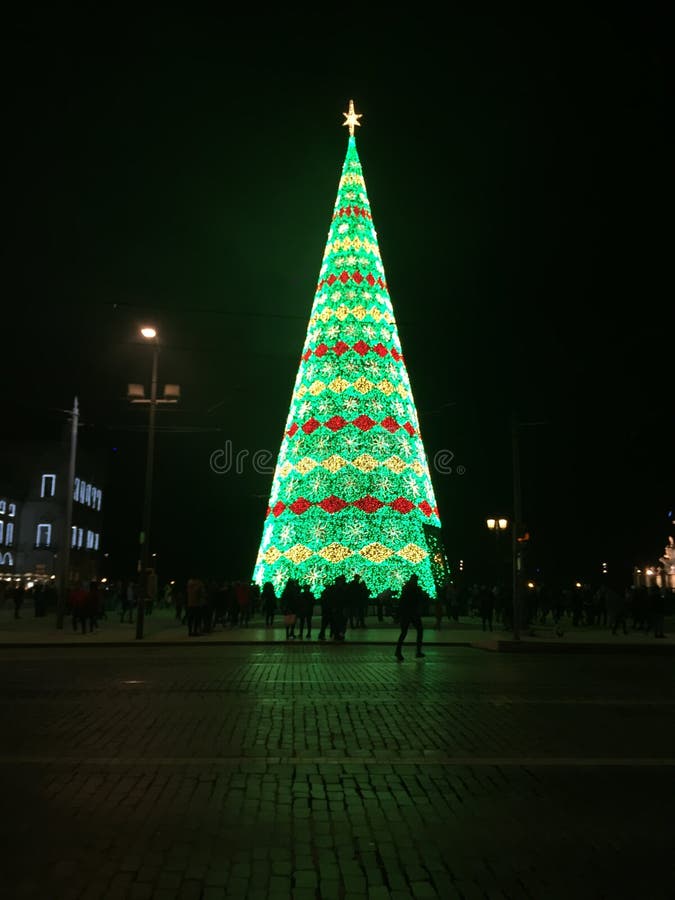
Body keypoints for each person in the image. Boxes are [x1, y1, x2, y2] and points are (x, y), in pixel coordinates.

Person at [395, 573, 427, 661]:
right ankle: (418, 651)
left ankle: (398, 651)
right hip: (413, 613)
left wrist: (398, 615)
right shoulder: (415, 589)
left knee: (404, 632)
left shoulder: (406, 588)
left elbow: (401, 602)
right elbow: (419, 599)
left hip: (406, 613)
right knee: (419, 630)